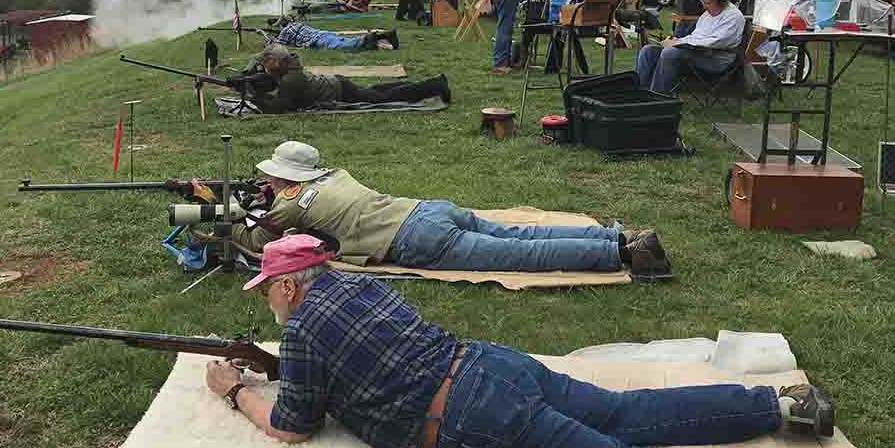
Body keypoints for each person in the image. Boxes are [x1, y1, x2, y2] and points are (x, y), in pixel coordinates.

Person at [203, 234, 877, 448]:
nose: (269, 299)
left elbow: (291, 427)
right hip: (492, 365)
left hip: (472, 419)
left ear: (290, 285)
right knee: (628, 413)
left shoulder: (304, 329)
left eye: (270, 289)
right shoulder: (353, 288)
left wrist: (237, 391)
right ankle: (782, 407)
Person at [230, 140, 671, 278]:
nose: (269, 183)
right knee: (521, 237)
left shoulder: (290, 203)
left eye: (273, 178)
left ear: (285, 179)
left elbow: (254, 241)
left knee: (524, 258)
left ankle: (627, 255)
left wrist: (222, 216)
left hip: (415, 238)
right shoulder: (334, 176)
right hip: (427, 210)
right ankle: (616, 236)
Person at [250, 45, 449, 114]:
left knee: (385, 97)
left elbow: (280, 108)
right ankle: (421, 84)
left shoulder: (291, 79)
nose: (265, 67)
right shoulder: (290, 68)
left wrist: (255, 96)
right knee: (380, 90)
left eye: (267, 63)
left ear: (277, 62)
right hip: (339, 84)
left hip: (341, 91)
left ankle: (435, 85)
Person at [636, 0, 744, 95]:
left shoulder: (734, 17)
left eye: (707, 3)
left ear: (721, 0)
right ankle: (640, 94)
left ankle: (658, 97)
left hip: (716, 59)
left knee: (670, 53)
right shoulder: (708, 14)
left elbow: (715, 42)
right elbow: (696, 37)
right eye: (704, 3)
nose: (705, 7)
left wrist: (680, 44)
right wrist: (677, 41)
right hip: (698, 53)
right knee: (648, 50)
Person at [269, 17, 399, 52]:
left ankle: (371, 39)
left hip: (318, 40)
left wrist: (266, 36)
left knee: (345, 46)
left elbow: (276, 45)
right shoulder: (297, 24)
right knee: (345, 42)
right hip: (324, 34)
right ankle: (384, 36)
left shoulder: (286, 31)